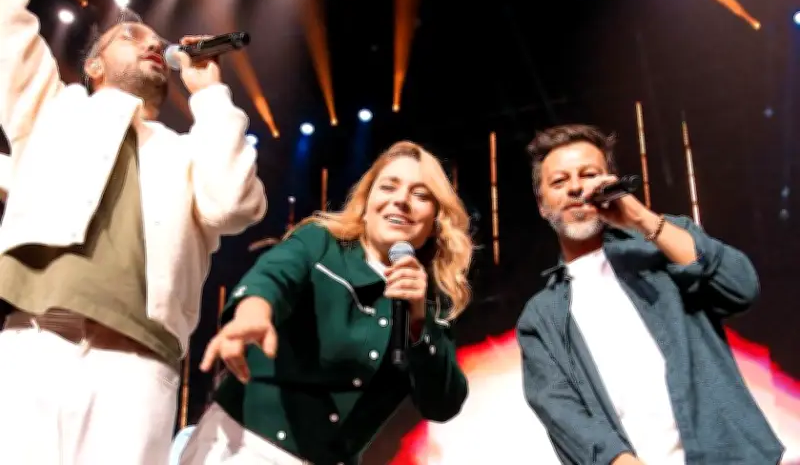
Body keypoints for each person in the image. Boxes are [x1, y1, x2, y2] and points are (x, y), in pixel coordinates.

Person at [0, 0, 267, 463]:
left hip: (139, 367)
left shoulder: (188, 152)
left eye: (157, 42)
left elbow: (234, 204)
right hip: (32, 343)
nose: (152, 44)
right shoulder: (52, 110)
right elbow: (5, 27)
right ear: (94, 66)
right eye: (131, 36)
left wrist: (211, 95)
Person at [180, 140, 472, 465]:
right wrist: (253, 314)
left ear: (435, 221)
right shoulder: (321, 243)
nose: (401, 200)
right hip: (244, 444)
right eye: (388, 187)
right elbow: (274, 275)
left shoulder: (429, 304)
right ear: (366, 204)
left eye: (420, 195)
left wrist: (418, 323)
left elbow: (443, 403)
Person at [516, 124, 784, 465]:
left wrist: (640, 219)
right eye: (559, 181)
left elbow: (740, 288)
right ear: (542, 204)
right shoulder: (541, 317)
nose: (576, 188)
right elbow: (562, 412)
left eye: (589, 175)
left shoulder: (663, 243)